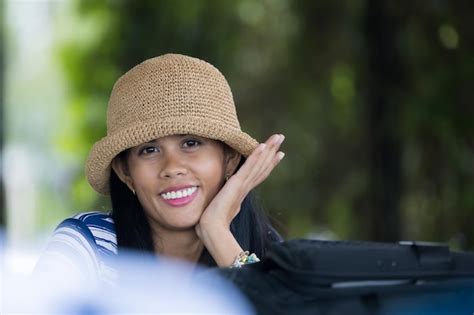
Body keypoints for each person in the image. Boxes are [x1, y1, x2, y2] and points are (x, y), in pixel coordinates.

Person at [35, 53, 285, 283]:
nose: (172, 168)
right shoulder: (87, 246)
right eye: (149, 150)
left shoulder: (267, 250)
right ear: (125, 172)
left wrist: (217, 231)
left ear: (229, 159)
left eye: (191, 143)